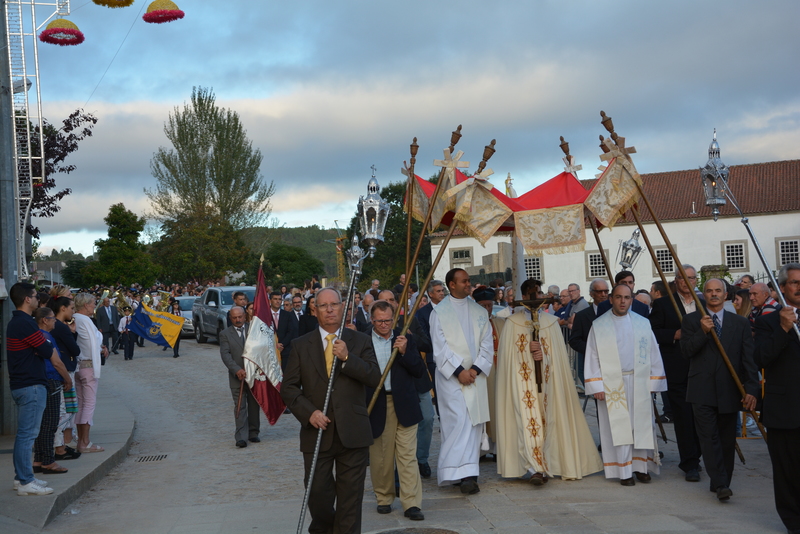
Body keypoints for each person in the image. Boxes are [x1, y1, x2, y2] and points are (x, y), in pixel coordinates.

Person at [281, 288, 380, 534]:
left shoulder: (360, 340)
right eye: (323, 306)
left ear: (342, 306)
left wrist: (348, 358)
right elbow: (289, 388)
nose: (329, 310)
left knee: (350, 499)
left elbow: (373, 377)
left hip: (353, 432)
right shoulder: (301, 345)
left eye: (333, 304)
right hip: (317, 432)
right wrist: (309, 413)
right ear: (314, 310)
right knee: (317, 494)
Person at [496, 279, 603, 485]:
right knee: (525, 421)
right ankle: (535, 468)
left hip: (548, 383)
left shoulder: (550, 323)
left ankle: (550, 464)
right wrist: (527, 353)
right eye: (530, 294)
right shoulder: (512, 323)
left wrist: (542, 353)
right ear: (523, 297)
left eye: (537, 293)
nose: (534, 297)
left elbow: (559, 358)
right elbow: (508, 360)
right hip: (521, 384)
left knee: (551, 418)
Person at [681, 278, 759, 501]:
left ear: (726, 295)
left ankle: (722, 480)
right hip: (701, 389)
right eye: (709, 291)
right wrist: (702, 332)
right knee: (708, 438)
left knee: (726, 439)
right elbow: (686, 352)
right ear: (702, 294)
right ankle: (721, 482)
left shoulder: (740, 323)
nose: (713, 294)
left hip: (729, 390)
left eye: (718, 291)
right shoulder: (691, 320)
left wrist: (751, 390)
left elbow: (748, 361)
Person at [584, 284, 666, 486]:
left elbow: (654, 353)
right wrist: (597, 386)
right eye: (619, 297)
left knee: (640, 425)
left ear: (632, 300)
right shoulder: (599, 325)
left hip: (638, 381)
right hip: (612, 383)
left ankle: (641, 467)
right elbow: (592, 356)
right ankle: (624, 471)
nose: (623, 301)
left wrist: (654, 381)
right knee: (618, 428)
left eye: (627, 297)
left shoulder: (642, 323)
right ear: (611, 299)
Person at [429, 268, 493, 494]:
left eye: (469, 281)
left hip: (474, 377)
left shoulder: (479, 311)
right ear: (451, 285)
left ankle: (468, 475)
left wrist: (474, 369)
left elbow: (487, 344)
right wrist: (459, 372)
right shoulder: (439, 313)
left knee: (473, 423)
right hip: (451, 380)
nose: (469, 284)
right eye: (464, 281)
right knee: (457, 423)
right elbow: (440, 348)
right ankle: (454, 472)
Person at [365, 300, 426, 521]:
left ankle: (411, 504)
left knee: (408, 456)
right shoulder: (363, 340)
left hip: (405, 404)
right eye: (380, 321)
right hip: (378, 404)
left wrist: (404, 352)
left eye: (388, 320)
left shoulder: (404, 338)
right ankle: (384, 497)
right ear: (372, 320)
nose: (384, 325)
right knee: (381, 457)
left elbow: (419, 370)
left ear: (394, 318)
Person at [754, 263, 800, 533]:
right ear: (782, 288)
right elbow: (761, 358)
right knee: (787, 472)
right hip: (785, 409)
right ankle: (794, 522)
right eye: (794, 282)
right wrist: (783, 330)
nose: (799, 287)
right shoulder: (768, 321)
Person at [649, 266, 704, 481]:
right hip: (677, 367)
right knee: (683, 416)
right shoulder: (664, 304)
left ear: (696, 280)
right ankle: (689, 462)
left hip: (701, 367)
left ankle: (698, 456)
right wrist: (674, 334)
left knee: (701, 416)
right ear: (677, 280)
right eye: (683, 278)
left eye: (691, 278)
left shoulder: (703, 303)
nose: (687, 281)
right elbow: (652, 331)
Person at [7, 284, 63, 495]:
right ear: (26, 299)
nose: (38, 299)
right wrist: (42, 350)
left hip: (25, 384)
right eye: (34, 296)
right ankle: (25, 481)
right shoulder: (25, 323)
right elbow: (46, 349)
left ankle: (22, 478)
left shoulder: (20, 322)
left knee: (26, 435)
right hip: (30, 385)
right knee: (27, 436)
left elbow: (42, 349)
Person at [32, 307, 73, 476]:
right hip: (52, 379)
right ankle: (48, 460)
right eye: (52, 318)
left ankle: (39, 459)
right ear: (44, 320)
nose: (55, 321)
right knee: (50, 423)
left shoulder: (38, 335)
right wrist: (67, 378)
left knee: (43, 423)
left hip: (44, 379)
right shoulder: (45, 336)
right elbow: (56, 362)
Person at [414, 280, 445, 477]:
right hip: (432, 364)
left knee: (433, 416)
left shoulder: (451, 309)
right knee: (425, 416)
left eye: (444, 291)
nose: (442, 294)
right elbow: (425, 342)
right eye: (439, 291)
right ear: (430, 294)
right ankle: (417, 460)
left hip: (456, 364)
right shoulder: (422, 315)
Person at [219, 307, 259, 448]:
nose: (237, 320)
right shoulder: (225, 334)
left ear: (244, 316)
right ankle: (241, 436)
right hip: (237, 377)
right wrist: (236, 370)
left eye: (240, 317)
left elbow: (261, 348)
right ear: (230, 318)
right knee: (240, 405)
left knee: (254, 405)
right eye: (234, 318)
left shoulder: (253, 330)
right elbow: (225, 355)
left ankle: (253, 432)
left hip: (254, 375)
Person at [73, 292, 107, 454]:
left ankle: (81, 440)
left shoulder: (76, 318)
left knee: (81, 403)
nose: (94, 305)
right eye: (93, 303)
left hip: (79, 365)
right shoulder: (85, 320)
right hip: (88, 365)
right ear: (86, 305)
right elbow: (93, 343)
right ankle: (84, 442)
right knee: (88, 404)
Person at [50, 297, 81, 461]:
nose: (73, 311)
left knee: (61, 410)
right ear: (62, 308)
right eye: (71, 308)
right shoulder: (61, 327)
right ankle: (58, 447)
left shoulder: (54, 325)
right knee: (65, 410)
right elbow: (75, 350)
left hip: (58, 371)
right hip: (65, 371)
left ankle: (60, 444)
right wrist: (73, 333)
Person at [569, 278, 610, 387]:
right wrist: (592, 348)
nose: (603, 294)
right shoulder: (582, 316)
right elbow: (574, 340)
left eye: (606, 291)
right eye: (599, 291)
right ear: (591, 294)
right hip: (592, 363)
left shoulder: (615, 313)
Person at [274, 291, 299, 370]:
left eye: (279, 299)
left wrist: (282, 344)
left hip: (285, 350)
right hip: (270, 351)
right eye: (275, 299)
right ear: (269, 300)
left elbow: (291, 331)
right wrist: (274, 344)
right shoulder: (265, 315)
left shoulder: (287, 315)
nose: (278, 301)